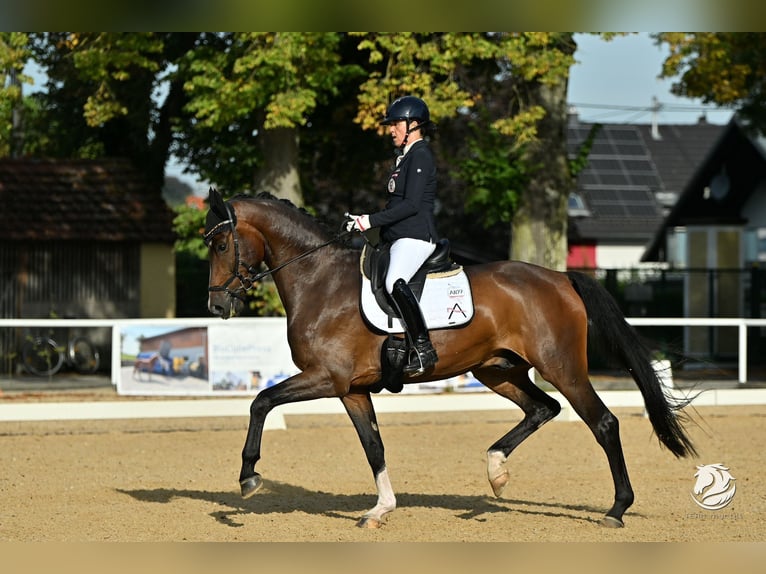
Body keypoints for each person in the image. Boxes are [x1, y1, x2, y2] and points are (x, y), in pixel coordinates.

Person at [346, 95, 440, 376]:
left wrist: (370, 220)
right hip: (397, 236)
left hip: (416, 236)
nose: (391, 130)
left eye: (396, 124)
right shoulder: (404, 158)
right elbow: (394, 206)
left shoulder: (421, 155)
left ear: (414, 125)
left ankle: (423, 347)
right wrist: (367, 225)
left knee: (394, 281)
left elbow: (411, 206)